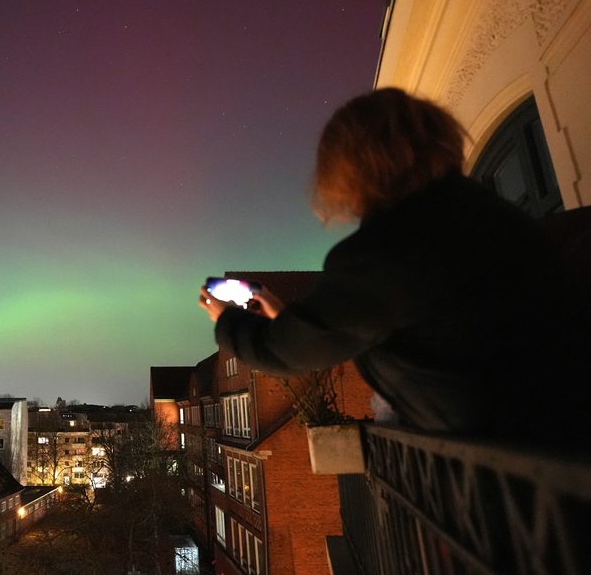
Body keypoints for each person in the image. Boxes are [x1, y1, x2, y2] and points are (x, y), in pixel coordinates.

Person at [199, 88, 582, 440]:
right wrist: (288, 317)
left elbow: (285, 352)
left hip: (506, 456)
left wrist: (227, 321)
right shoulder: (490, 215)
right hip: (565, 428)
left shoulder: (383, 252)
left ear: (350, 167)